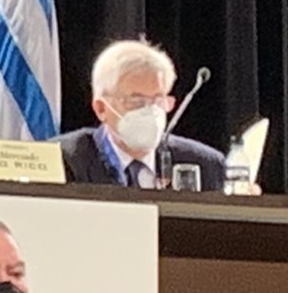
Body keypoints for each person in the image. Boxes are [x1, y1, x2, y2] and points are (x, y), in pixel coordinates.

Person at [56, 39, 227, 190]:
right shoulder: (63, 161)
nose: (150, 111)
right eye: (137, 102)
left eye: (158, 101)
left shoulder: (207, 165)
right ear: (101, 109)